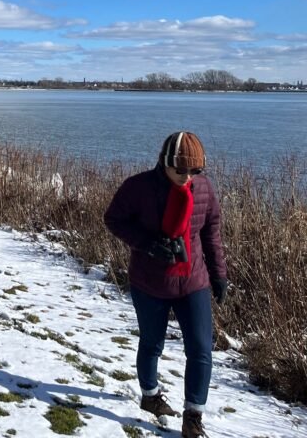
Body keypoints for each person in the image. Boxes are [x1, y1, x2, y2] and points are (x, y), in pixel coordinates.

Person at [104, 131, 228, 438]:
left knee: (201, 349)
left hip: (193, 280)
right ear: (164, 163)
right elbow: (113, 219)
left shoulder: (204, 188)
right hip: (149, 281)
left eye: (195, 170)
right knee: (152, 343)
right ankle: (150, 395)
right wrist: (148, 244)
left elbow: (211, 232)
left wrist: (219, 274)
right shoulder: (138, 187)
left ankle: (193, 418)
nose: (187, 177)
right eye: (180, 170)